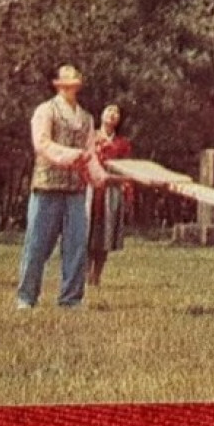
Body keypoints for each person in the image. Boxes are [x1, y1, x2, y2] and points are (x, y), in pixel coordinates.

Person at [17, 65, 105, 309]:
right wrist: (70, 155)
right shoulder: (45, 110)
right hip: (48, 186)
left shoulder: (86, 117)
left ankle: (71, 299)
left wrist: (100, 178)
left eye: (76, 76)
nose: (74, 81)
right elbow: (42, 144)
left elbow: (90, 154)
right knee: (37, 244)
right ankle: (26, 297)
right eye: (68, 77)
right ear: (58, 84)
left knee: (76, 245)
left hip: (76, 189)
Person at [87, 102, 133, 289]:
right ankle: (84, 274)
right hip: (91, 189)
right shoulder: (91, 138)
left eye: (117, 112)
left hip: (111, 191)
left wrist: (127, 193)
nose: (112, 114)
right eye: (109, 110)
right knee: (87, 232)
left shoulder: (122, 144)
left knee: (105, 235)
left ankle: (97, 276)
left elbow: (128, 170)